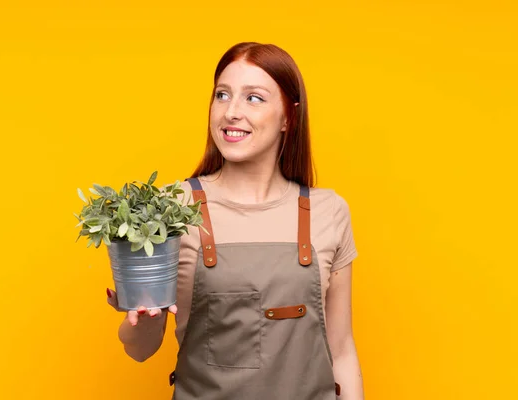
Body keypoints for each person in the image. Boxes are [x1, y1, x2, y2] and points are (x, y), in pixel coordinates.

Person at [106, 42, 364, 400]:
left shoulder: (328, 211)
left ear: (289, 116)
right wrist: (144, 315)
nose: (231, 112)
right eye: (223, 95)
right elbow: (139, 349)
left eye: (253, 98)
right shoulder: (171, 208)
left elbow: (342, 349)